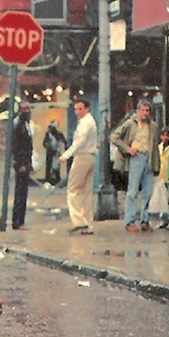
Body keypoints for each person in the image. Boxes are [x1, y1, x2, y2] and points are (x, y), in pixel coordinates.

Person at [112, 98, 160, 233]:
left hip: (149, 158)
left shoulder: (153, 126)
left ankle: (145, 220)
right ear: (138, 111)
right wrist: (128, 149)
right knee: (132, 191)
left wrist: (156, 164)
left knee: (148, 192)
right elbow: (114, 136)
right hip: (136, 158)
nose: (145, 113)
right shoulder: (130, 124)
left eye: (147, 111)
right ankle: (130, 221)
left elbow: (155, 146)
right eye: (143, 110)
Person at [60, 99, 98, 235]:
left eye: (80, 109)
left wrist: (66, 155)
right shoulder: (91, 121)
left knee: (73, 189)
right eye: (76, 109)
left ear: (87, 108)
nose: (77, 112)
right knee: (86, 191)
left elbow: (79, 142)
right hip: (91, 156)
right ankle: (88, 224)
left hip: (82, 156)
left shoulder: (85, 123)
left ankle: (78, 221)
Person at [11, 102, 34, 229]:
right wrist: (20, 163)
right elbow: (17, 146)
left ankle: (21, 220)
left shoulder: (26, 124)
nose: (27, 111)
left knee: (23, 192)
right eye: (24, 109)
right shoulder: (18, 124)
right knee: (20, 192)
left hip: (26, 162)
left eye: (28, 108)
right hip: (22, 163)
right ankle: (17, 221)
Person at [42, 121, 66, 186]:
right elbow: (44, 143)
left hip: (56, 152)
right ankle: (48, 180)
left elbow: (64, 141)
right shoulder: (48, 134)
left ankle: (57, 180)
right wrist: (48, 146)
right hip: (50, 152)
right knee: (49, 167)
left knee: (56, 167)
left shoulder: (58, 134)